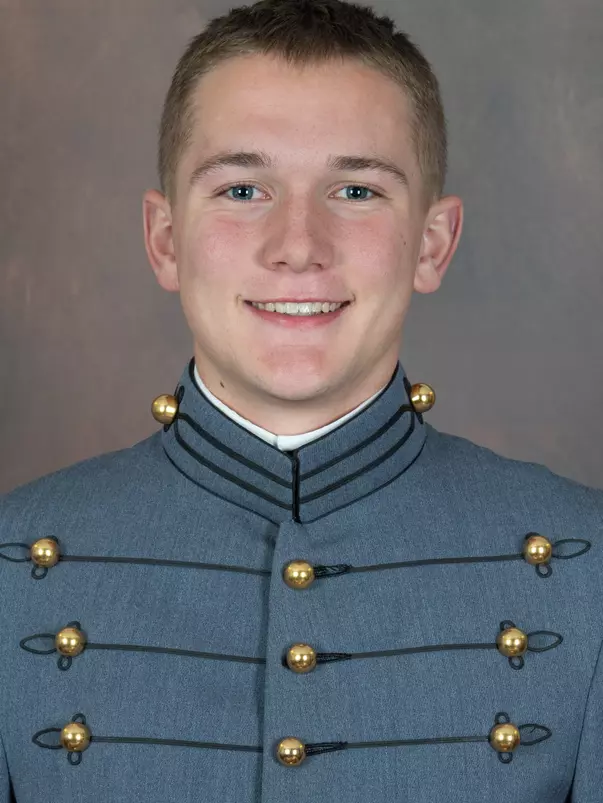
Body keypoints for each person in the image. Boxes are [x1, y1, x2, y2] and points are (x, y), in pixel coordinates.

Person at [1, 0, 601, 800]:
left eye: (354, 191)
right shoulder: (13, 564)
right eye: (243, 188)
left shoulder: (583, 567)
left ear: (432, 243)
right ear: (165, 238)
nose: (297, 247)